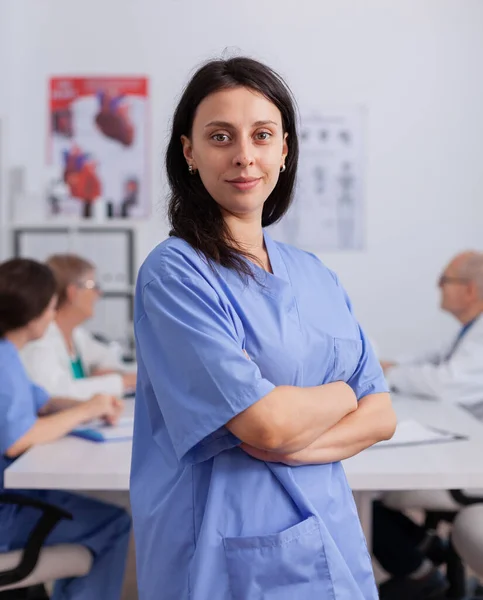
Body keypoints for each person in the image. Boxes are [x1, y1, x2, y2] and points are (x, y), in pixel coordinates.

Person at [130, 56, 396, 600]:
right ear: (190, 152)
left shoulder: (314, 273)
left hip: (330, 535)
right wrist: (342, 395)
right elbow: (266, 425)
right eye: (221, 136)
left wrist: (297, 437)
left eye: (262, 135)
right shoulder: (175, 273)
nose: (244, 156)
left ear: (285, 149)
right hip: (223, 546)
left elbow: (382, 415)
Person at [0, 257, 131, 600]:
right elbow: (18, 439)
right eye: (50, 306)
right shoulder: (4, 358)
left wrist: (90, 407)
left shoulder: (8, 353)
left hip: (15, 497)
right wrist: (87, 408)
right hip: (7, 514)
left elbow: (42, 400)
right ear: (37, 309)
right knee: (114, 523)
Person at [21, 254, 136, 400]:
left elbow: (109, 358)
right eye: (93, 286)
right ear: (73, 292)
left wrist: (112, 374)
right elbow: (54, 393)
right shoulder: (39, 338)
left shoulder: (76, 335)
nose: (98, 293)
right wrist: (122, 382)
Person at [382, 251, 483, 403]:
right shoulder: (470, 329)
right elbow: (436, 357)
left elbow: (445, 384)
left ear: (470, 291)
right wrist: (394, 364)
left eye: (445, 280)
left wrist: (390, 372)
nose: (438, 286)